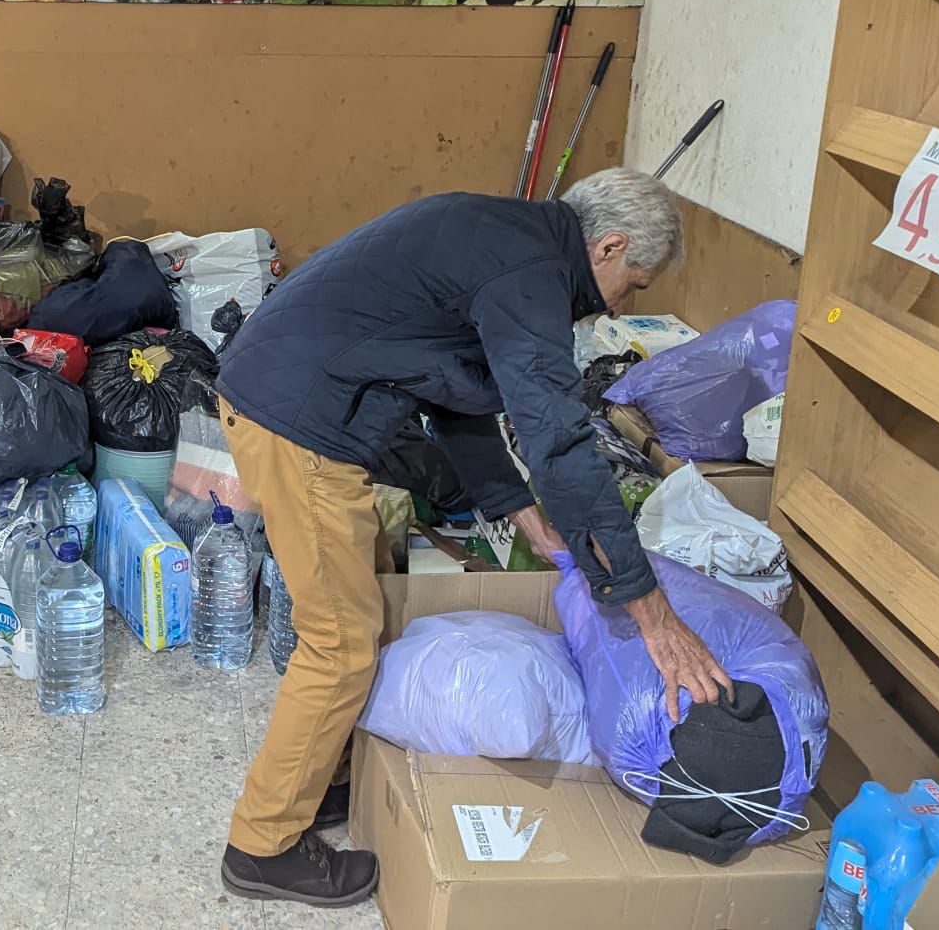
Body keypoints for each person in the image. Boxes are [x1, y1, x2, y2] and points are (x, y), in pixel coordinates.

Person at [213, 169, 731, 907]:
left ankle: (318, 780)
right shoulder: (532, 277)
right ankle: (261, 847)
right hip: (300, 424)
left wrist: (521, 512)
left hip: (292, 400)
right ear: (609, 246)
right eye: (636, 285)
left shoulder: (511, 241)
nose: (627, 302)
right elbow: (560, 443)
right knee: (342, 640)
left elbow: (455, 393)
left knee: (360, 599)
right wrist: (653, 615)